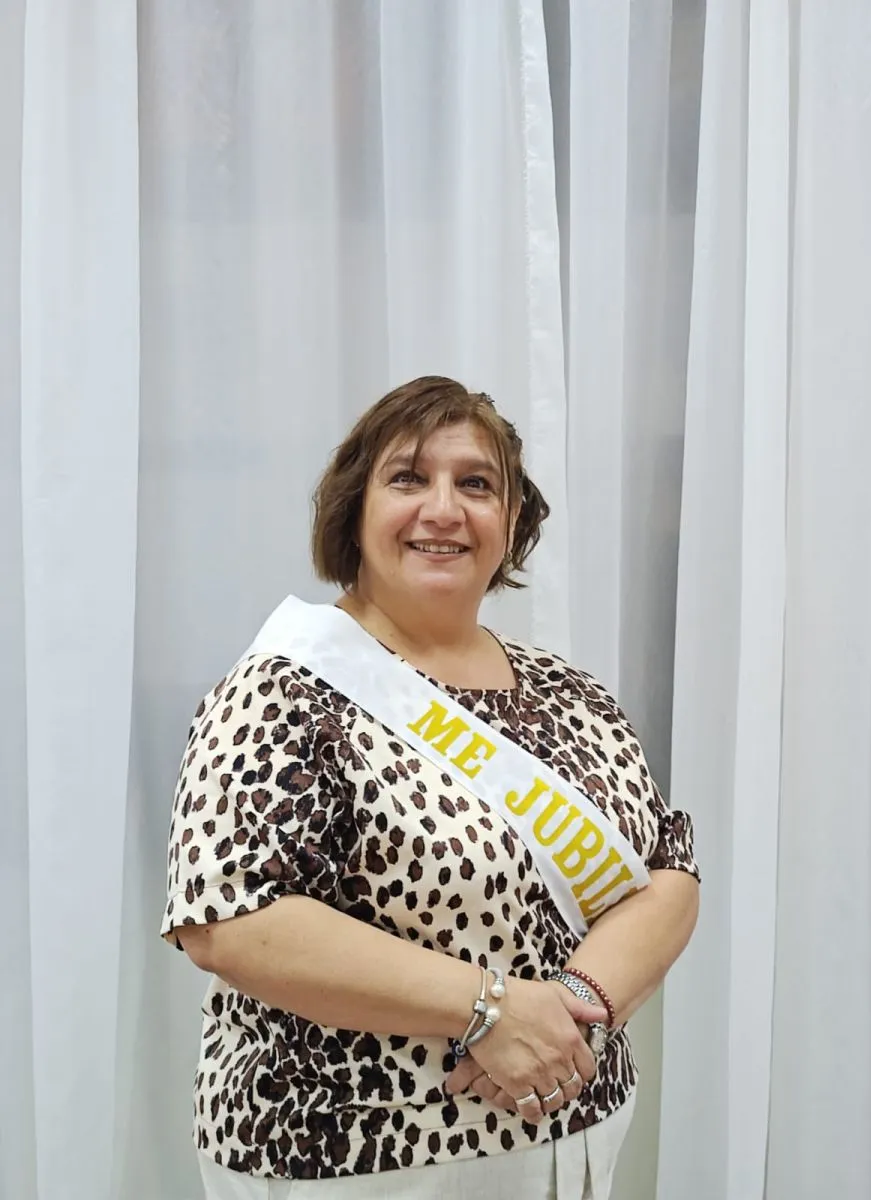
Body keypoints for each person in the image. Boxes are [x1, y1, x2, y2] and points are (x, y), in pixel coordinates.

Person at [161, 376, 700, 1200]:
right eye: (408, 478)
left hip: (577, 1132)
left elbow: (666, 869)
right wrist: (491, 1009)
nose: (443, 509)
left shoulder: (571, 692)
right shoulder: (283, 689)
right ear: (354, 511)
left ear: (511, 521)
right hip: (357, 1154)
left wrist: (576, 1001)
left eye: (476, 484)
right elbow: (231, 922)